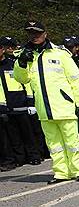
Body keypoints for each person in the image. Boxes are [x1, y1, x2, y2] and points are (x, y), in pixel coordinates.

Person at [14, 21, 79, 184]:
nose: (34, 36)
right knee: (54, 144)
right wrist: (21, 63)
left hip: (64, 105)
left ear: (45, 34)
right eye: (31, 33)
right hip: (43, 108)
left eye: (37, 33)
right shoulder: (24, 54)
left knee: (72, 141)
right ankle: (61, 173)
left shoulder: (60, 53)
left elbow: (76, 79)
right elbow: (21, 79)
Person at [0, 36, 43, 168]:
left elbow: (26, 82)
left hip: (22, 104)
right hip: (7, 107)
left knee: (28, 134)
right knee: (14, 137)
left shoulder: (13, 63)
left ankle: (34, 156)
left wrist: (30, 102)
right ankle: (20, 158)